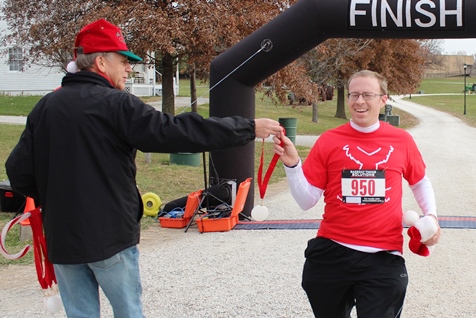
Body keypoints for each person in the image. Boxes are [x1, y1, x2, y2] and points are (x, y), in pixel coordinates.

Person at [5, 19, 282, 318]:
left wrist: (55, 198)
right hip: (110, 238)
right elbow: (177, 131)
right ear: (100, 62)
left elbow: (18, 171)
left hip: (63, 239)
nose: (129, 68)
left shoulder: (45, 107)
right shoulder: (117, 104)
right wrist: (247, 127)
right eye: (123, 61)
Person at [273, 70, 440, 318]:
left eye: (367, 95)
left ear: (383, 99)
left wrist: (432, 217)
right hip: (332, 251)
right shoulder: (329, 140)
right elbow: (306, 201)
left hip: (383, 257)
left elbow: (419, 181)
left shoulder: (402, 140)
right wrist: (293, 165)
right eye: (354, 95)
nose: (359, 101)